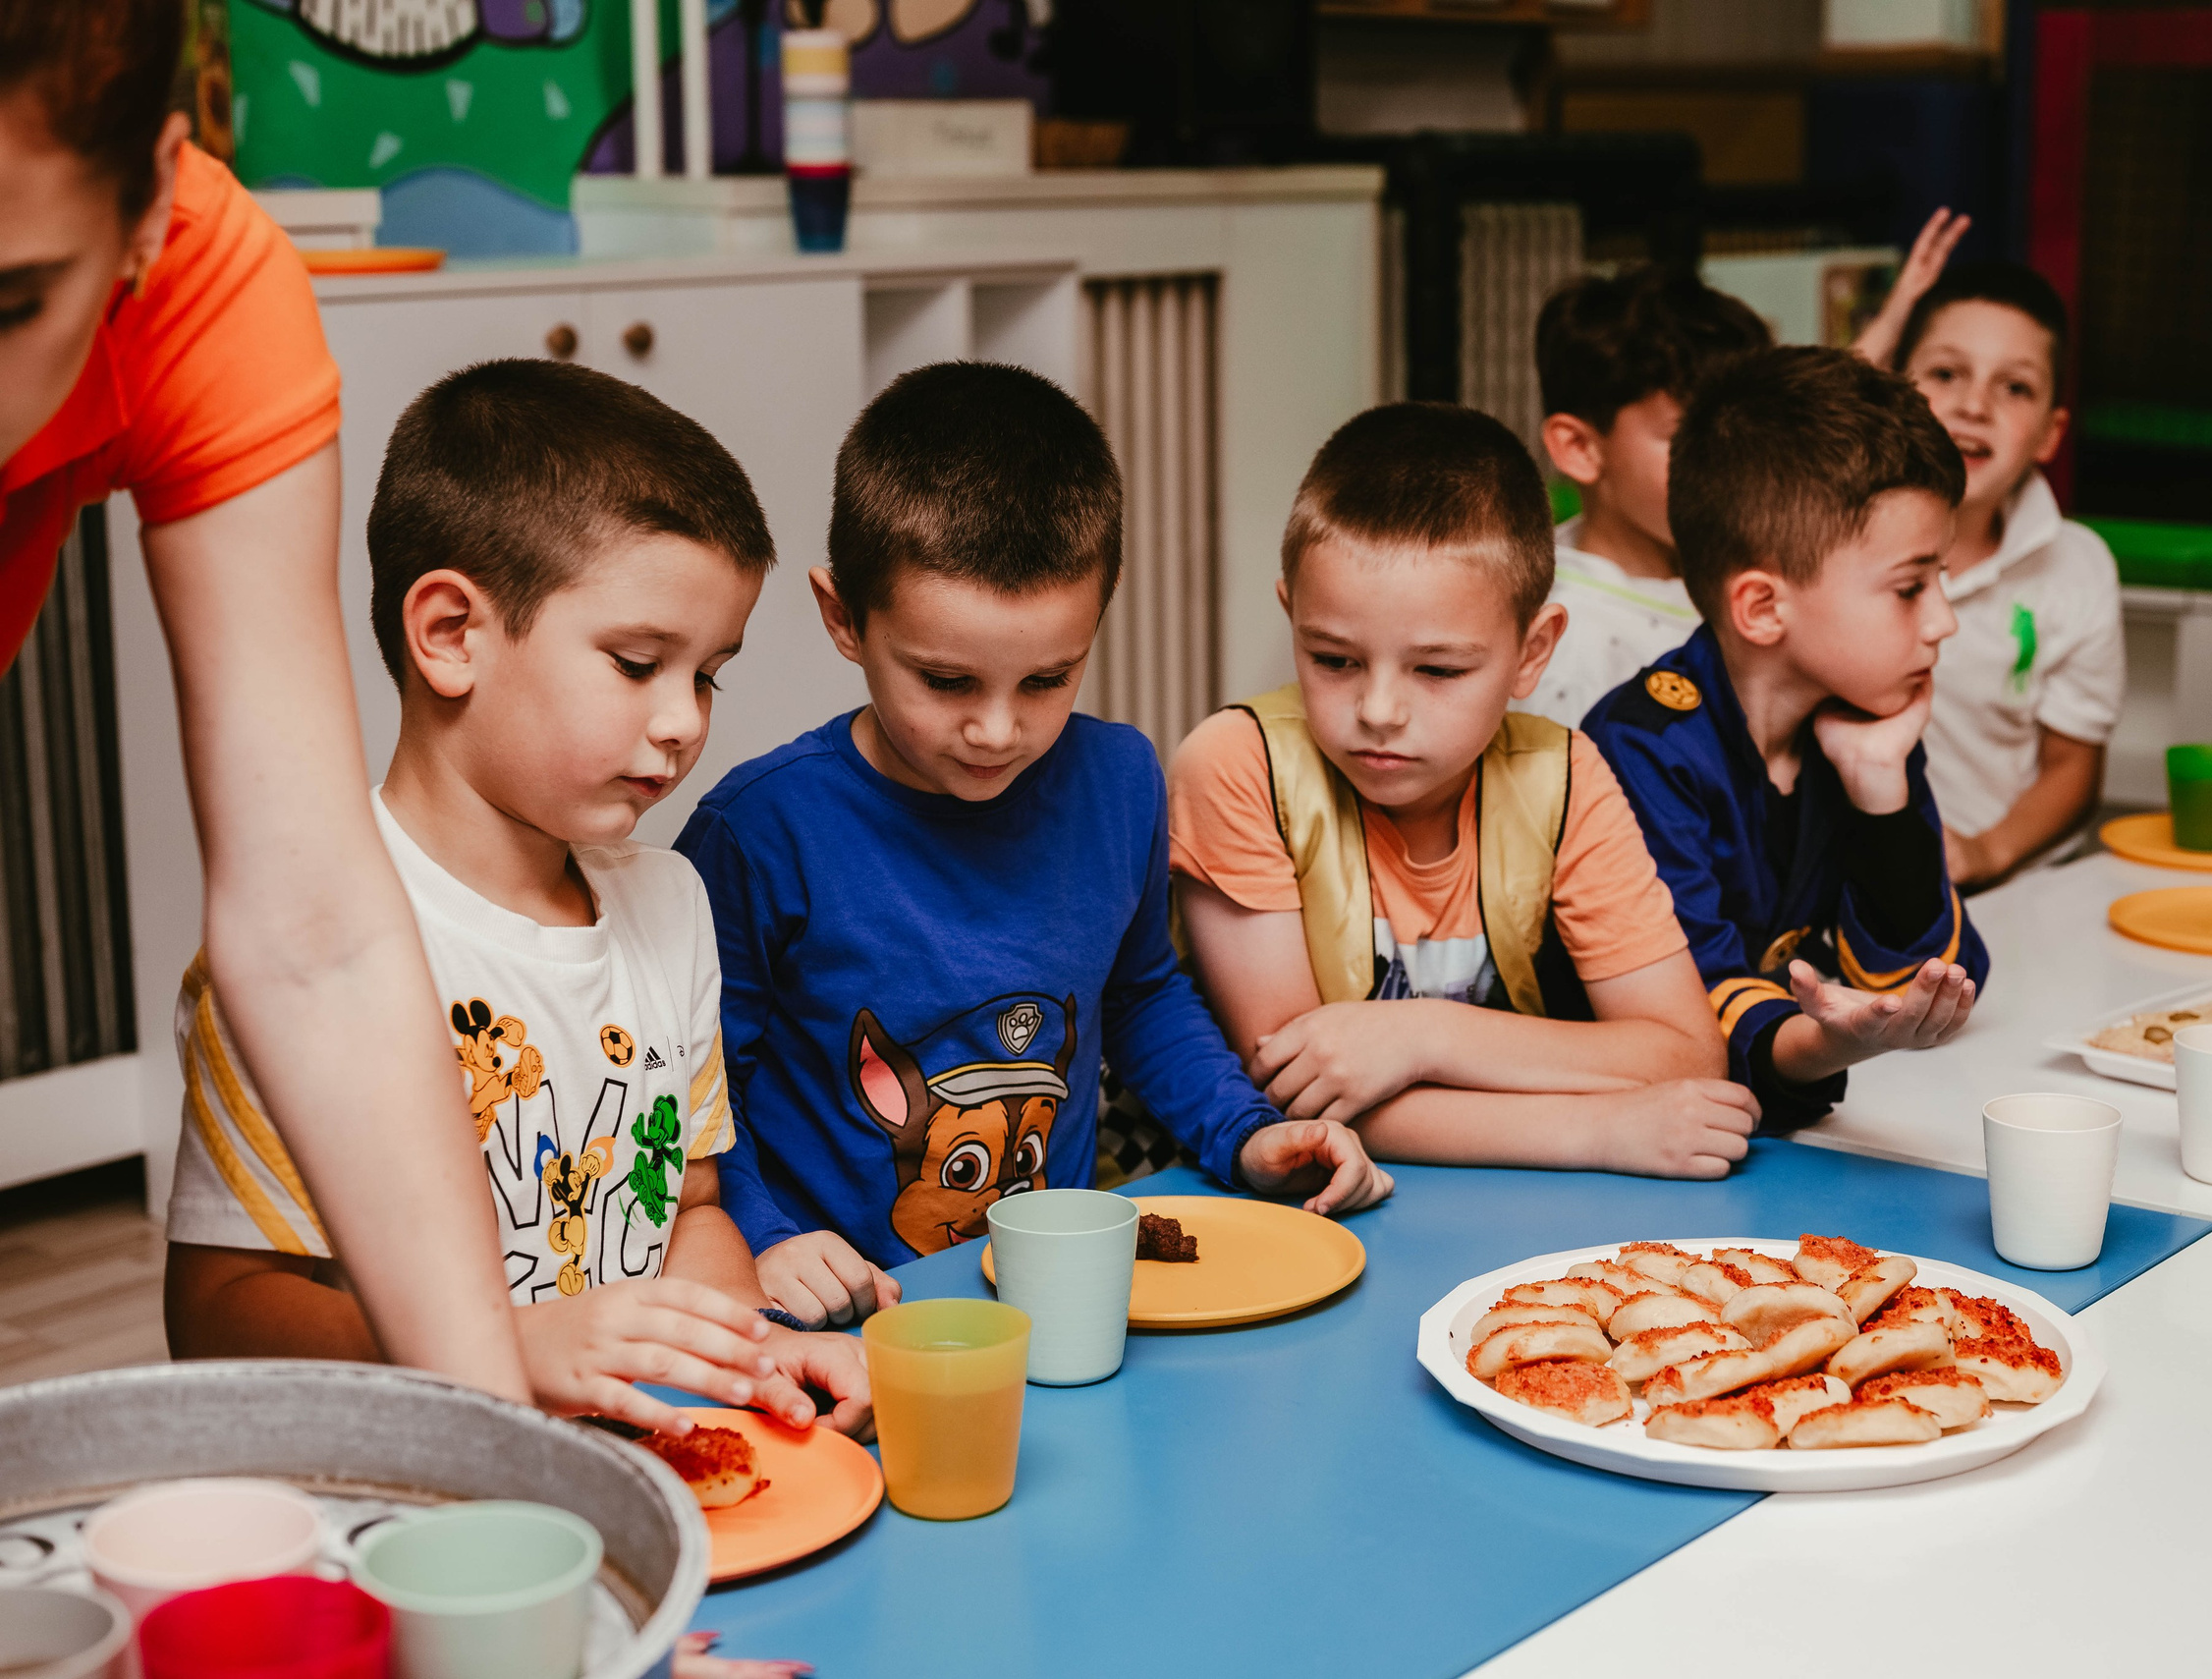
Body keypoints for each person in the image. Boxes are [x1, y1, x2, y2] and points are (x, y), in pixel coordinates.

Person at [161, 361, 871, 1443]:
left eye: (709, 673)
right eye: (639, 663)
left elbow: (690, 1214)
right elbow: (215, 1315)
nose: (684, 720)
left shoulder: (672, 902)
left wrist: (748, 1345)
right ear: (450, 634)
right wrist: (506, 1352)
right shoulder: (303, 938)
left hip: (624, 1466)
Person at [0, 0, 526, 1392]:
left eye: (7, 305)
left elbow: (315, 935)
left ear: (154, 204)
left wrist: (516, 1458)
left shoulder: (207, 295)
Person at [676, 362, 1390, 1282]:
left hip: (1053, 1292)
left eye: (1048, 678)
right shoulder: (758, 831)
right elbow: (695, 1090)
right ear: (843, 617)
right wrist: (761, 1240)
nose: (998, 729)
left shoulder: (1121, 779)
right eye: (946, 680)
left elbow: (1138, 995)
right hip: (842, 1315)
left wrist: (1248, 1132)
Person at [1170, 403, 1759, 1177]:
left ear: (1532, 651)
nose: (1378, 711)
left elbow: (1684, 1052)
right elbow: (1296, 1094)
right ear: (1292, 615)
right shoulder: (1237, 763)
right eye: (1334, 659)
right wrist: (1597, 1131)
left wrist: (1423, 1035)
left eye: (1439, 669)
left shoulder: (1567, 773)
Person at [1583, 347, 1986, 1132]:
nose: (1943, 620)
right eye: (1910, 587)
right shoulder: (1641, 750)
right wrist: (1828, 1041)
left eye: (1940, 580)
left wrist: (1881, 794)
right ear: (1763, 608)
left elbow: (1935, 979)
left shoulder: (1863, 725)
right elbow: (1690, 1029)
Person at [1890, 261, 2123, 888]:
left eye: (2014, 388)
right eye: (1945, 374)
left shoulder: (2076, 566)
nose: (1973, 406)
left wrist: (1986, 854)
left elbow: (2071, 765)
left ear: (2051, 434)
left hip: (2014, 890)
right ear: (1892, 389)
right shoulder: (1821, 535)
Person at [1517, 266, 1769, 730]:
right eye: (1691, 436)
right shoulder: (1565, 647)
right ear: (1580, 448)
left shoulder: (1731, 568)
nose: (1735, 462)